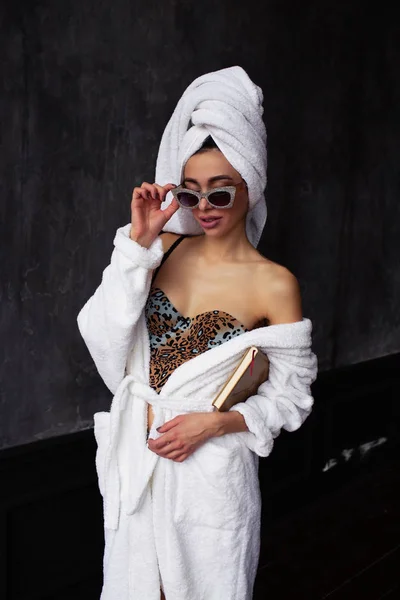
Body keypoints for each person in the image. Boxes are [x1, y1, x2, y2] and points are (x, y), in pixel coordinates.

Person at [77, 66, 318, 600]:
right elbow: (103, 339)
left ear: (250, 186)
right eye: (190, 195)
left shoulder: (274, 284)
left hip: (209, 474)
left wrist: (213, 425)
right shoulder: (160, 253)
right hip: (140, 460)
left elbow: (291, 395)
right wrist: (137, 245)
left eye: (220, 194)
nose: (204, 209)